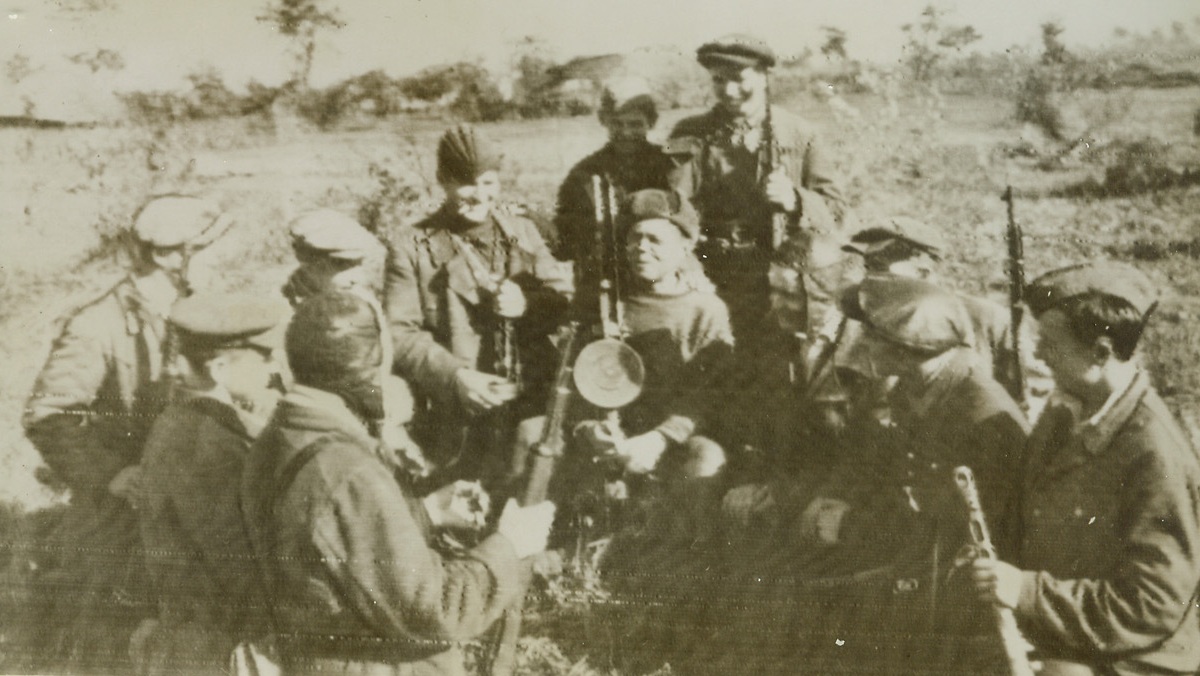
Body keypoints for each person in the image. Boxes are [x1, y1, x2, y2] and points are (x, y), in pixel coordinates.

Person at [718, 274, 1030, 675]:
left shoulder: (980, 414)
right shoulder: (918, 387)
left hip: (958, 578)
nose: (861, 344)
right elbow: (876, 469)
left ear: (907, 346)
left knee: (802, 603)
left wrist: (852, 523)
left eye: (872, 336)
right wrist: (797, 500)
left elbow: (972, 526)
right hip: (913, 544)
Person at [241, 291, 556, 675]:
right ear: (369, 371)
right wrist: (510, 545)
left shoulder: (281, 434)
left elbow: (336, 546)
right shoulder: (347, 469)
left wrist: (425, 512)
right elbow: (436, 611)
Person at [21, 195, 228, 674]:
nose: (216, 258)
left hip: (188, 509)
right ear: (167, 255)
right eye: (205, 247)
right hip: (120, 518)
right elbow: (48, 414)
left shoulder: (195, 310)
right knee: (111, 639)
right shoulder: (99, 323)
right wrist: (112, 473)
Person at [973, 261, 1200, 676]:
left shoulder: (1152, 452)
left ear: (1100, 352)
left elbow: (1151, 606)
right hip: (1061, 630)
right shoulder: (1066, 410)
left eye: (1050, 343)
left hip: (1129, 657)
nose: (1037, 354)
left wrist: (1026, 592)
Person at [384, 124, 571, 491]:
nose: (479, 195)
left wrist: (528, 304)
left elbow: (564, 301)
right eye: (466, 183)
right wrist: (455, 377)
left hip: (530, 395)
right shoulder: (411, 246)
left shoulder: (523, 232)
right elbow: (398, 332)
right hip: (459, 405)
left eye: (488, 183)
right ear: (443, 180)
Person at [135, 293, 287, 675]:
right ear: (219, 370)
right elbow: (240, 567)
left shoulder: (201, 423)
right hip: (218, 651)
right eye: (264, 358)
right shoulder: (201, 445)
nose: (272, 368)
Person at [668, 33, 847, 342]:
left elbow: (837, 212)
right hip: (707, 271)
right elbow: (673, 208)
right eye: (718, 80)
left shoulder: (800, 134)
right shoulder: (690, 132)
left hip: (776, 274)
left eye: (739, 78)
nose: (729, 90)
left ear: (765, 77)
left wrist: (795, 199)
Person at [840, 215, 1050, 409]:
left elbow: (1034, 397)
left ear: (922, 272)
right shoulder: (867, 314)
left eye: (880, 268)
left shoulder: (988, 318)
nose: (871, 279)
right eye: (868, 267)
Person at [553, 76, 676, 272]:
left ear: (651, 122)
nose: (626, 132)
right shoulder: (583, 174)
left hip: (660, 269)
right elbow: (567, 233)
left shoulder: (669, 166)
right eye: (617, 124)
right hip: (607, 272)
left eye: (635, 124)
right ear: (604, 121)